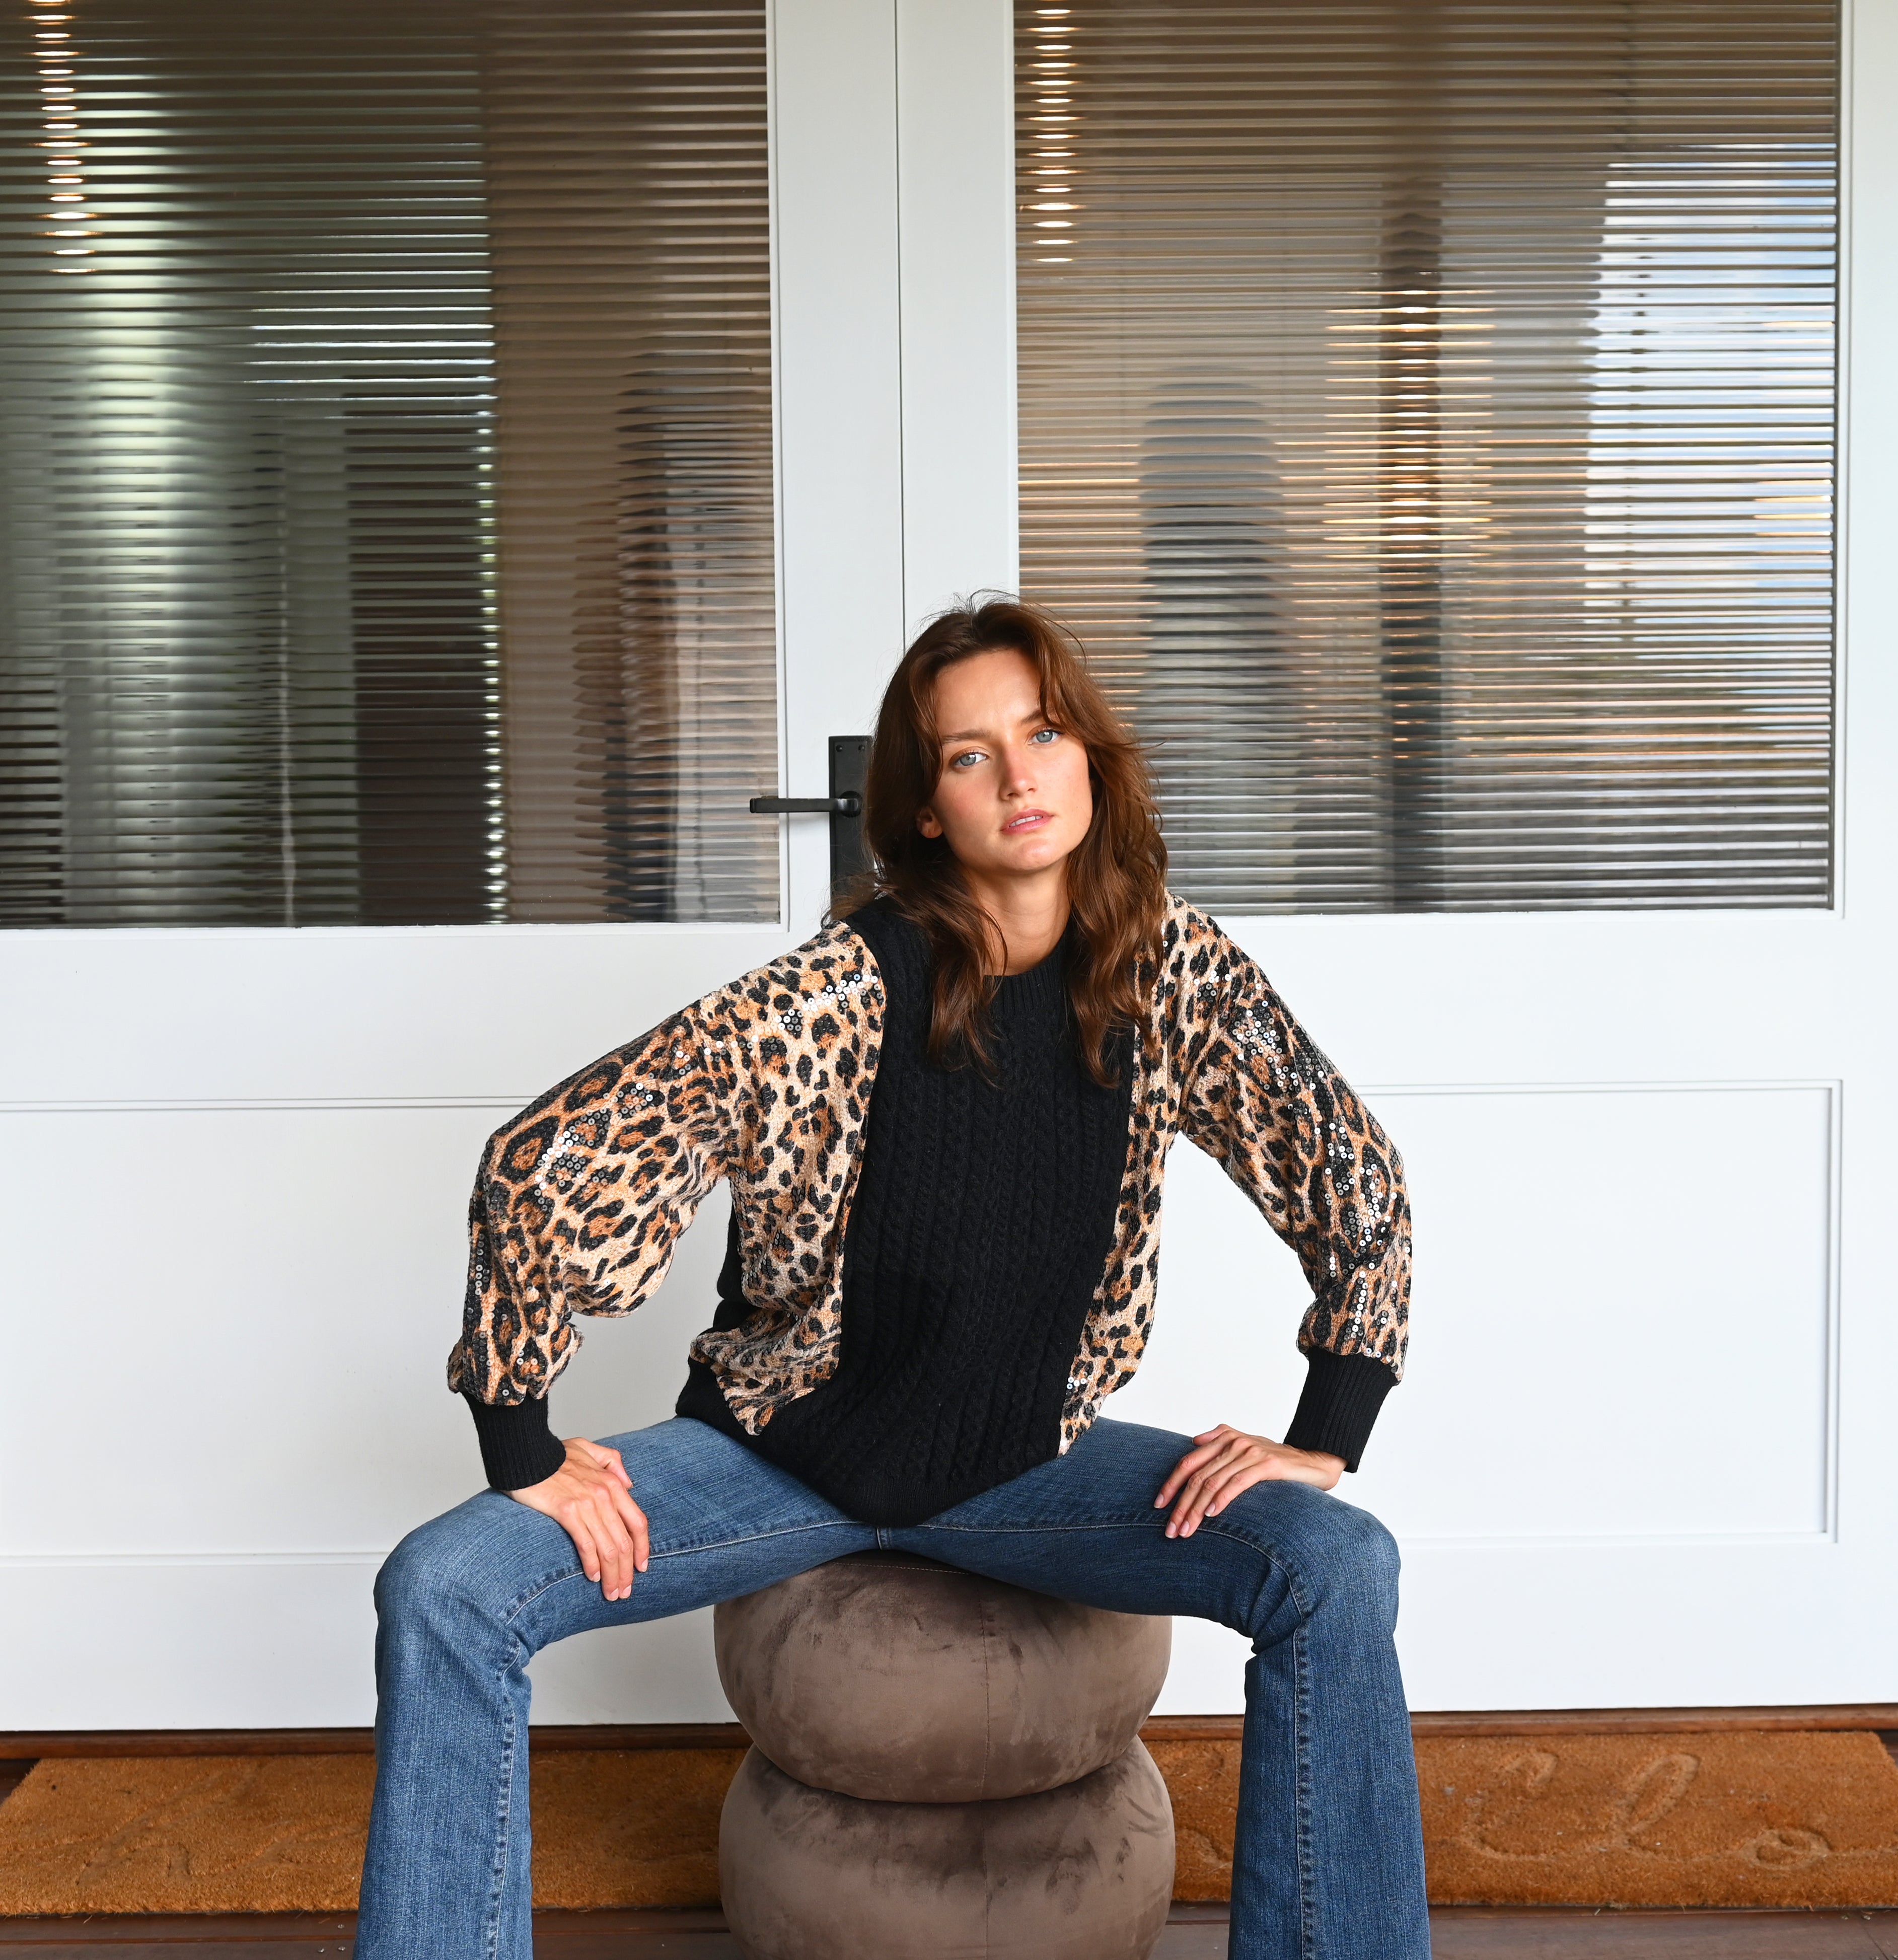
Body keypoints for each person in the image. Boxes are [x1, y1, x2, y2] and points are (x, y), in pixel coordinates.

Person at [355, 598, 1425, 1960]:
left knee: (1339, 1564)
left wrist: (1327, 1428)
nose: (1020, 775)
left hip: (1029, 1463)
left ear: (1092, 756)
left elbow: (1353, 1175)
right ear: (926, 807)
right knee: (444, 1587)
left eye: (1044, 733)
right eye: (971, 755)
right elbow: (547, 1161)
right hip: (775, 1461)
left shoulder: (1171, 976)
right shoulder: (833, 998)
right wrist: (522, 1440)